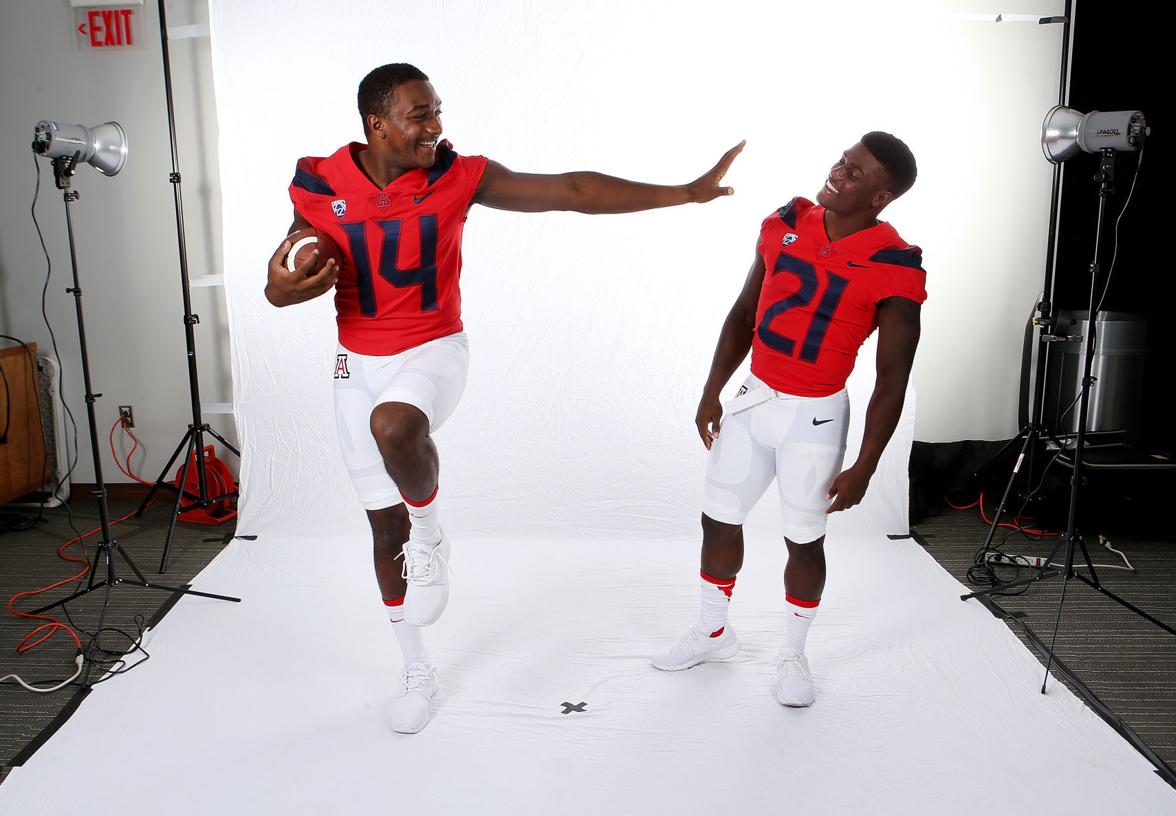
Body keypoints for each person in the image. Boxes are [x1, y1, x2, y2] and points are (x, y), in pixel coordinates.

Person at [265, 63, 742, 733]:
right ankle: (416, 668)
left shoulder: (458, 174)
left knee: (395, 426)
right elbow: (286, 263)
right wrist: (282, 286)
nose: (435, 126)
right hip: (356, 363)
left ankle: (432, 532)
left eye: (437, 111)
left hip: (432, 350)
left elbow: (572, 190)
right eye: (418, 115)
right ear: (376, 124)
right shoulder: (317, 177)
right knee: (381, 527)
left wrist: (685, 194)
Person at [651, 132, 925, 708]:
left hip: (817, 416)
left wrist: (866, 465)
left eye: (855, 173)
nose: (837, 174)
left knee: (803, 540)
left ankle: (793, 653)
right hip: (754, 397)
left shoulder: (895, 262)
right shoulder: (786, 220)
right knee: (718, 519)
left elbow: (892, 377)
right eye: (841, 161)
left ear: (880, 197)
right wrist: (710, 391)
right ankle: (714, 631)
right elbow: (745, 311)